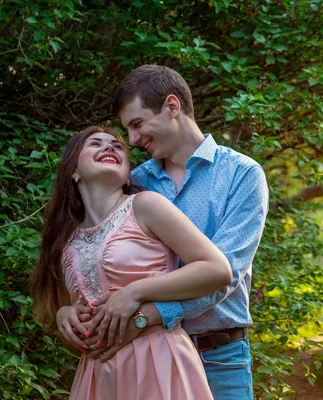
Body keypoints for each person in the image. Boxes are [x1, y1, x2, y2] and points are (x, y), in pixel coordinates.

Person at [59, 65, 269, 399]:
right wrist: (67, 310)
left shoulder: (241, 175)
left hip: (219, 355)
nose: (132, 140)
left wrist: (143, 313)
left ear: (172, 107)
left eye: (137, 124)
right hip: (141, 357)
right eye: (128, 130)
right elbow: (97, 256)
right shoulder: (134, 182)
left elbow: (225, 274)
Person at [31, 126, 234, 399]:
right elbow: (76, 323)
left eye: (117, 146)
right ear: (73, 171)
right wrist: (64, 316)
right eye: (95, 144)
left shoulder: (145, 205)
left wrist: (134, 292)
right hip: (97, 375)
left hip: (157, 360)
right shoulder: (65, 240)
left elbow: (217, 269)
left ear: (128, 174)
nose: (110, 147)